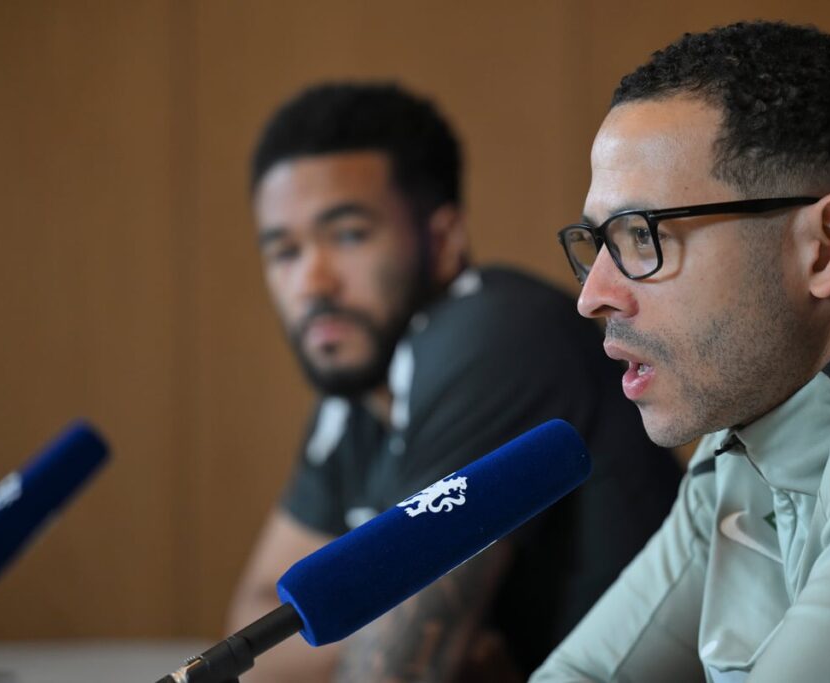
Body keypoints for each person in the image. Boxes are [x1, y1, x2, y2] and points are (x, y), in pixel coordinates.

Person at [532, 20, 830, 683]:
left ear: (827, 246)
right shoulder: (743, 442)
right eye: (596, 241)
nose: (593, 296)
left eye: (641, 235)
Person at [226, 82, 682, 682]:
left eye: (348, 235)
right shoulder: (353, 399)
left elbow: (392, 674)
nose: (312, 282)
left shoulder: (493, 336)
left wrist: (381, 641)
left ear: (442, 241)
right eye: (284, 251)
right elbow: (255, 635)